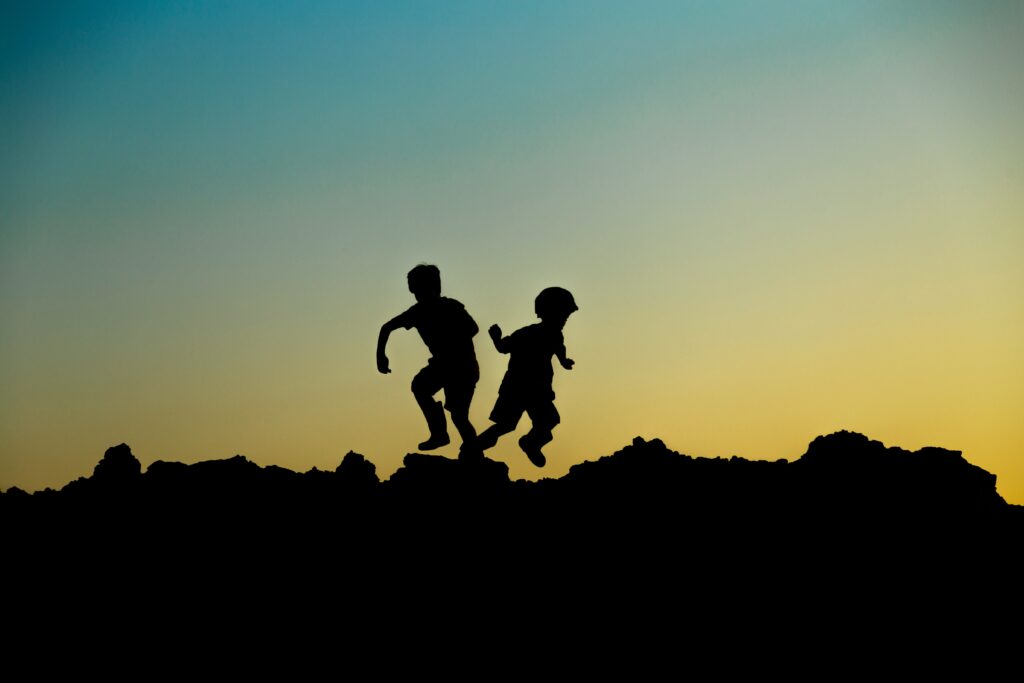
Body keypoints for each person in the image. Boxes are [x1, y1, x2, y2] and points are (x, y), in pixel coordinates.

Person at [377, 264, 480, 454]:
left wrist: (449, 337)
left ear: (433, 287)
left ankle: (474, 453)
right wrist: (380, 356)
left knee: (458, 416)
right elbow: (387, 327)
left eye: (421, 290)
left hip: (462, 367)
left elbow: (473, 328)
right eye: (415, 292)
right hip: (442, 365)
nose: (419, 296)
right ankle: (440, 433)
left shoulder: (451, 307)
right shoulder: (417, 312)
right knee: (420, 386)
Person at [473, 287, 578, 467]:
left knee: (549, 421)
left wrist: (564, 361)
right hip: (516, 388)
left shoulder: (556, 335)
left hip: (538, 390)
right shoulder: (527, 333)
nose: (564, 320)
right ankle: (473, 448)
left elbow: (559, 348)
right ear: (547, 313)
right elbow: (504, 347)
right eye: (562, 316)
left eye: (565, 317)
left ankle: (531, 443)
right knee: (506, 425)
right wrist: (496, 338)